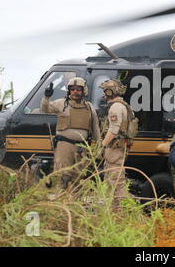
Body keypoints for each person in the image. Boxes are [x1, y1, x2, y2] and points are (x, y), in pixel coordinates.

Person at [41, 77, 101, 189]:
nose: (75, 92)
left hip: (82, 148)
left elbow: (95, 128)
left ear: (84, 91)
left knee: (79, 176)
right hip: (65, 146)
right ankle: (60, 200)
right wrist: (46, 97)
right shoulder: (61, 103)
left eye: (78, 89)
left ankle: (74, 202)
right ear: (69, 91)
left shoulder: (89, 107)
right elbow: (45, 109)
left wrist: (98, 147)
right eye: (72, 89)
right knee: (62, 175)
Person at [99, 79, 132, 209]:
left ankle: (120, 212)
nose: (103, 94)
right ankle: (112, 211)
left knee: (116, 181)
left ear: (109, 91)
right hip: (119, 147)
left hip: (114, 148)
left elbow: (113, 130)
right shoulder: (123, 105)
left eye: (105, 91)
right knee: (111, 180)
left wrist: (102, 145)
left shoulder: (115, 107)